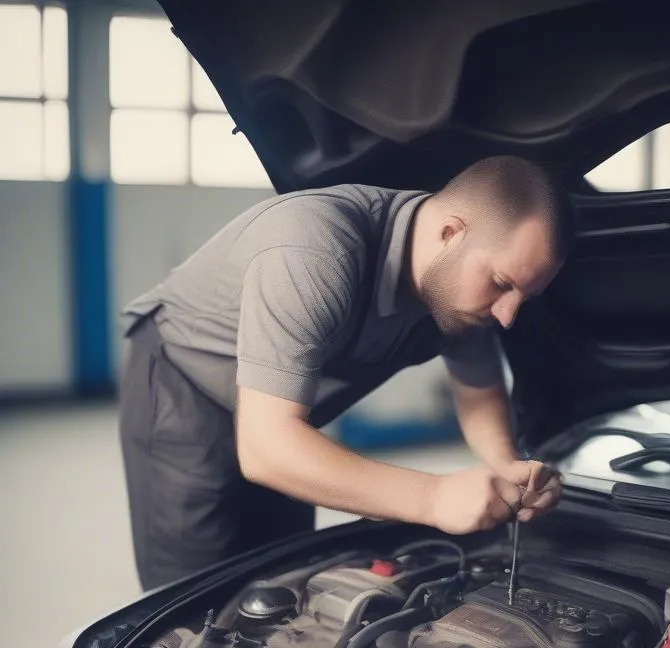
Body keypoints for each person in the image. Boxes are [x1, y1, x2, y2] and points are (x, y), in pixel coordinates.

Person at [118, 156, 574, 591]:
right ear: (450, 232)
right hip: (186, 388)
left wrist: (505, 466)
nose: (508, 315)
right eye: (501, 283)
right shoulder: (316, 247)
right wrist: (433, 498)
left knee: (283, 582)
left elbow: (478, 389)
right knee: (194, 609)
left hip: (285, 417)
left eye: (523, 297)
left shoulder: (461, 298)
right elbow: (266, 450)